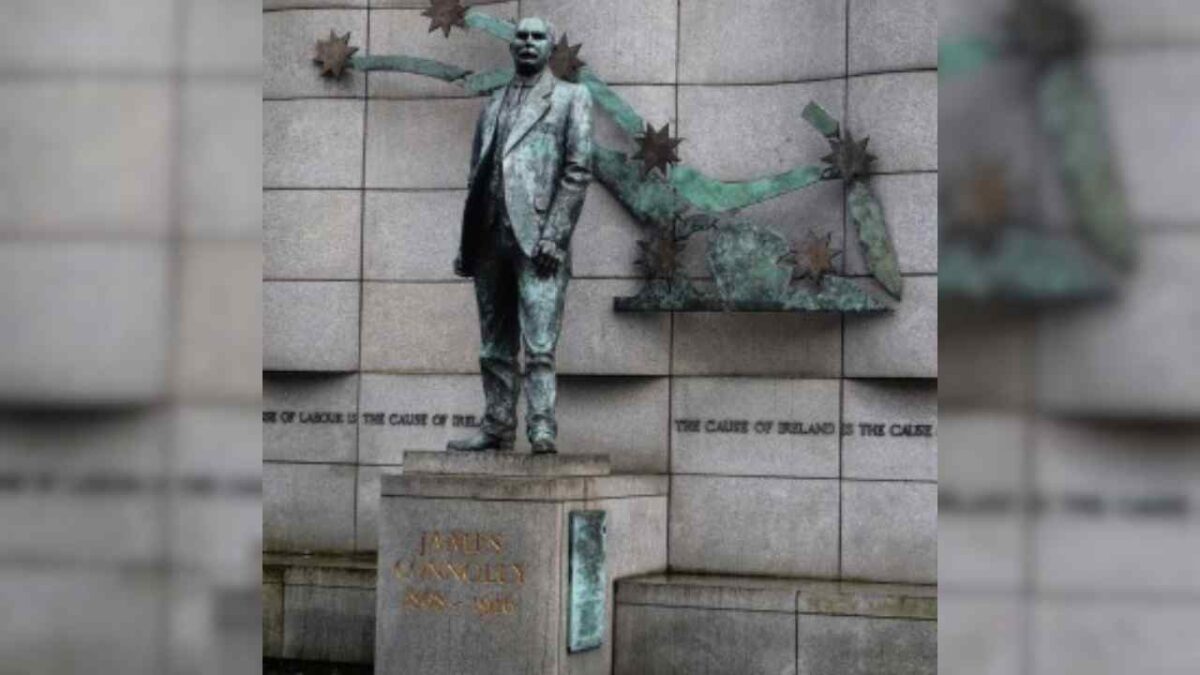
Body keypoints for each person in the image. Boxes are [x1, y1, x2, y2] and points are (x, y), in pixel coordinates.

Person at [448, 17, 594, 455]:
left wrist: (556, 235)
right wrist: (466, 242)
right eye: (521, 36)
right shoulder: (491, 105)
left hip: (539, 242)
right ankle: (496, 426)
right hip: (489, 238)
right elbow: (477, 175)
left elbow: (578, 170)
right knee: (493, 344)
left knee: (540, 344)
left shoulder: (571, 98)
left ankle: (542, 428)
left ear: (550, 47)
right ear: (512, 47)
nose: (528, 43)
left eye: (537, 37)